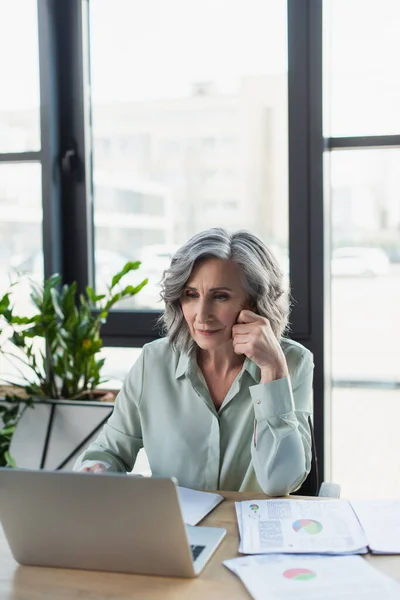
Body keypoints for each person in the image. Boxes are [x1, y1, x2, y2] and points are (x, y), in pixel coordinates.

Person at [76, 228, 313, 496]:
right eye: (191, 295)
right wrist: (96, 468)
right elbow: (110, 452)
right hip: (177, 532)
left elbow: (280, 482)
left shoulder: (291, 363)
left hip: (253, 531)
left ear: (255, 303)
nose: (202, 315)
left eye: (220, 296)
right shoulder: (153, 362)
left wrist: (273, 371)